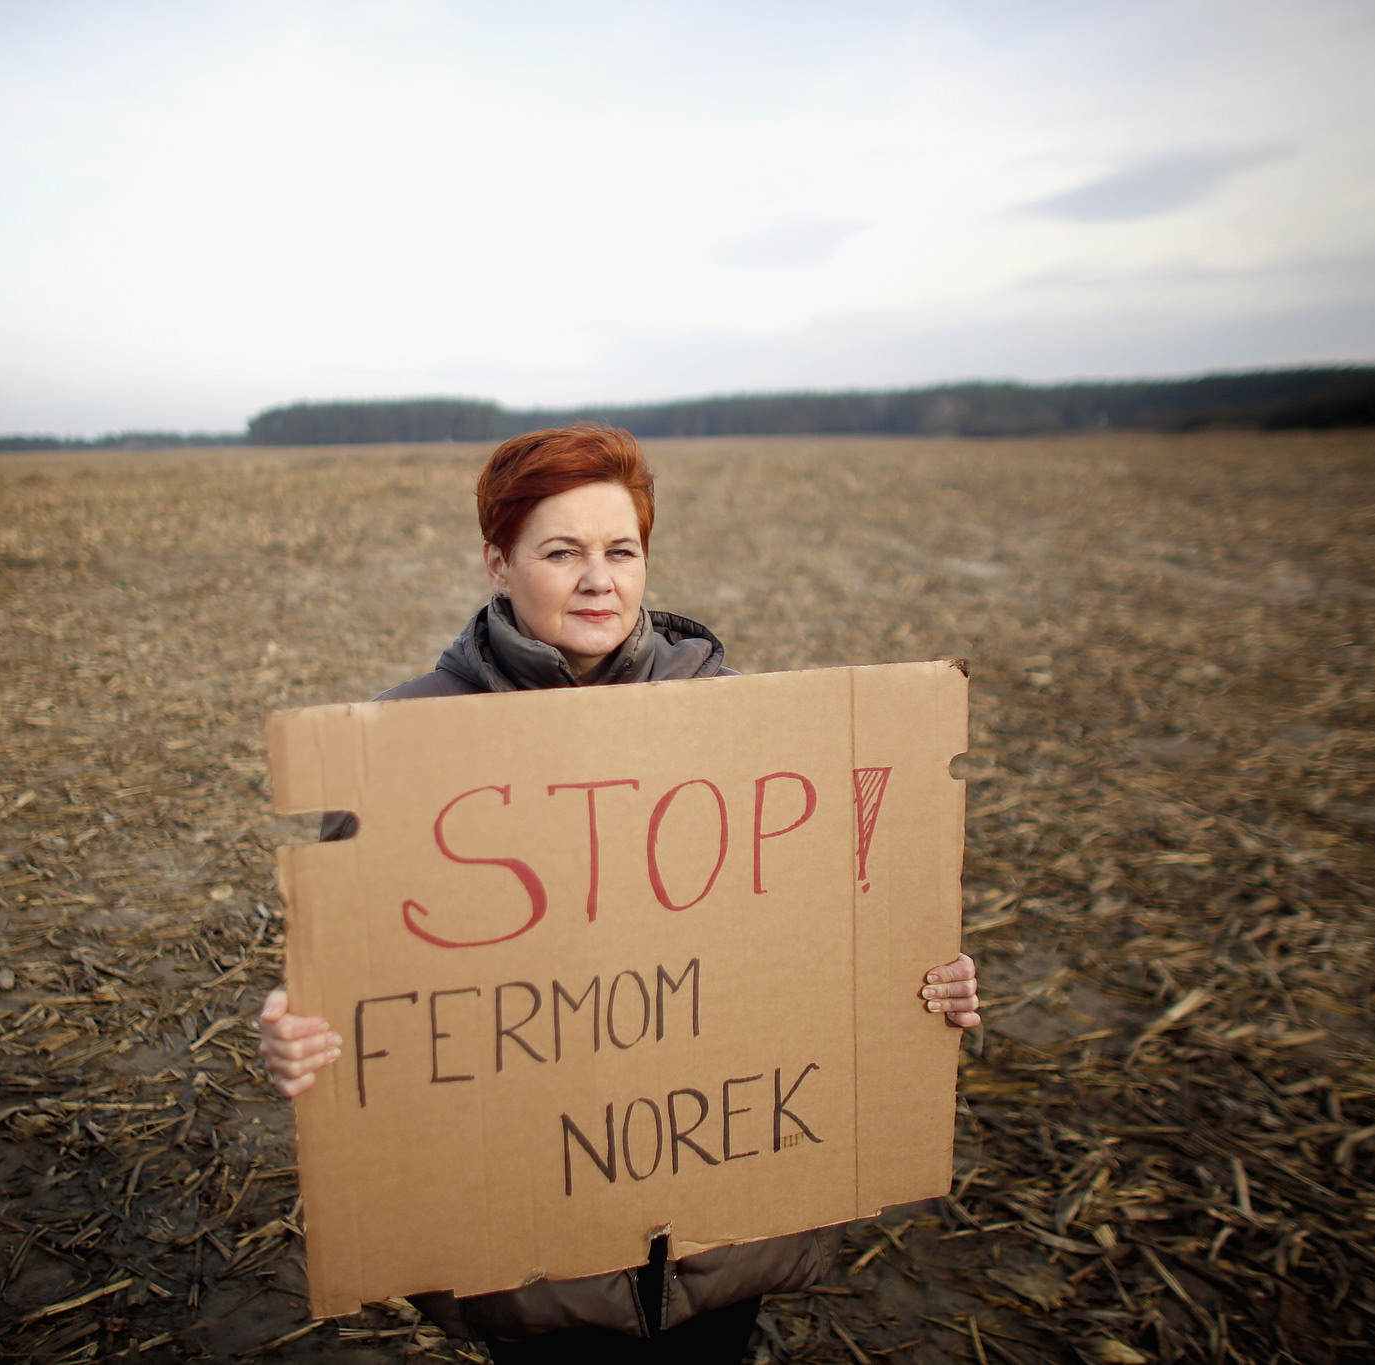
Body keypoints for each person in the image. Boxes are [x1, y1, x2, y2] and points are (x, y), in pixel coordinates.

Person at [255, 424, 982, 1363]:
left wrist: (918, 978)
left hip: (718, 1230)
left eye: (620, 550)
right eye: (562, 552)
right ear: (498, 562)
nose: (598, 578)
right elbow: (371, 984)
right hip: (536, 1261)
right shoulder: (402, 747)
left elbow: (827, 928)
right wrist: (304, 1034)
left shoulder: (750, 725)